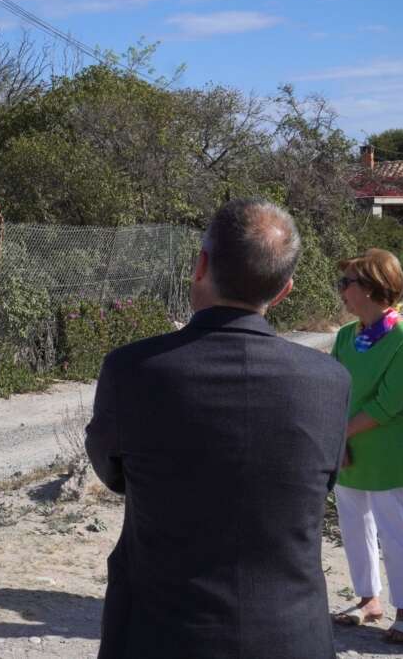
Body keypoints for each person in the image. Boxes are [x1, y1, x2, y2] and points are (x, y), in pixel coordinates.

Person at [85, 198, 350, 659]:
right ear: (285, 289)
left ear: (201, 265)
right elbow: (320, 480)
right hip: (291, 635)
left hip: (160, 632)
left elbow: (113, 473)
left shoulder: (132, 369)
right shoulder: (330, 382)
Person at [330, 248, 403, 643]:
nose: (341, 290)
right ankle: (368, 600)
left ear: (373, 287)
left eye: (347, 283)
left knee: (397, 534)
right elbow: (333, 390)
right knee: (353, 524)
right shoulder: (346, 335)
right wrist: (337, 438)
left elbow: (386, 405)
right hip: (349, 451)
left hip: (389, 455)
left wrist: (341, 434)